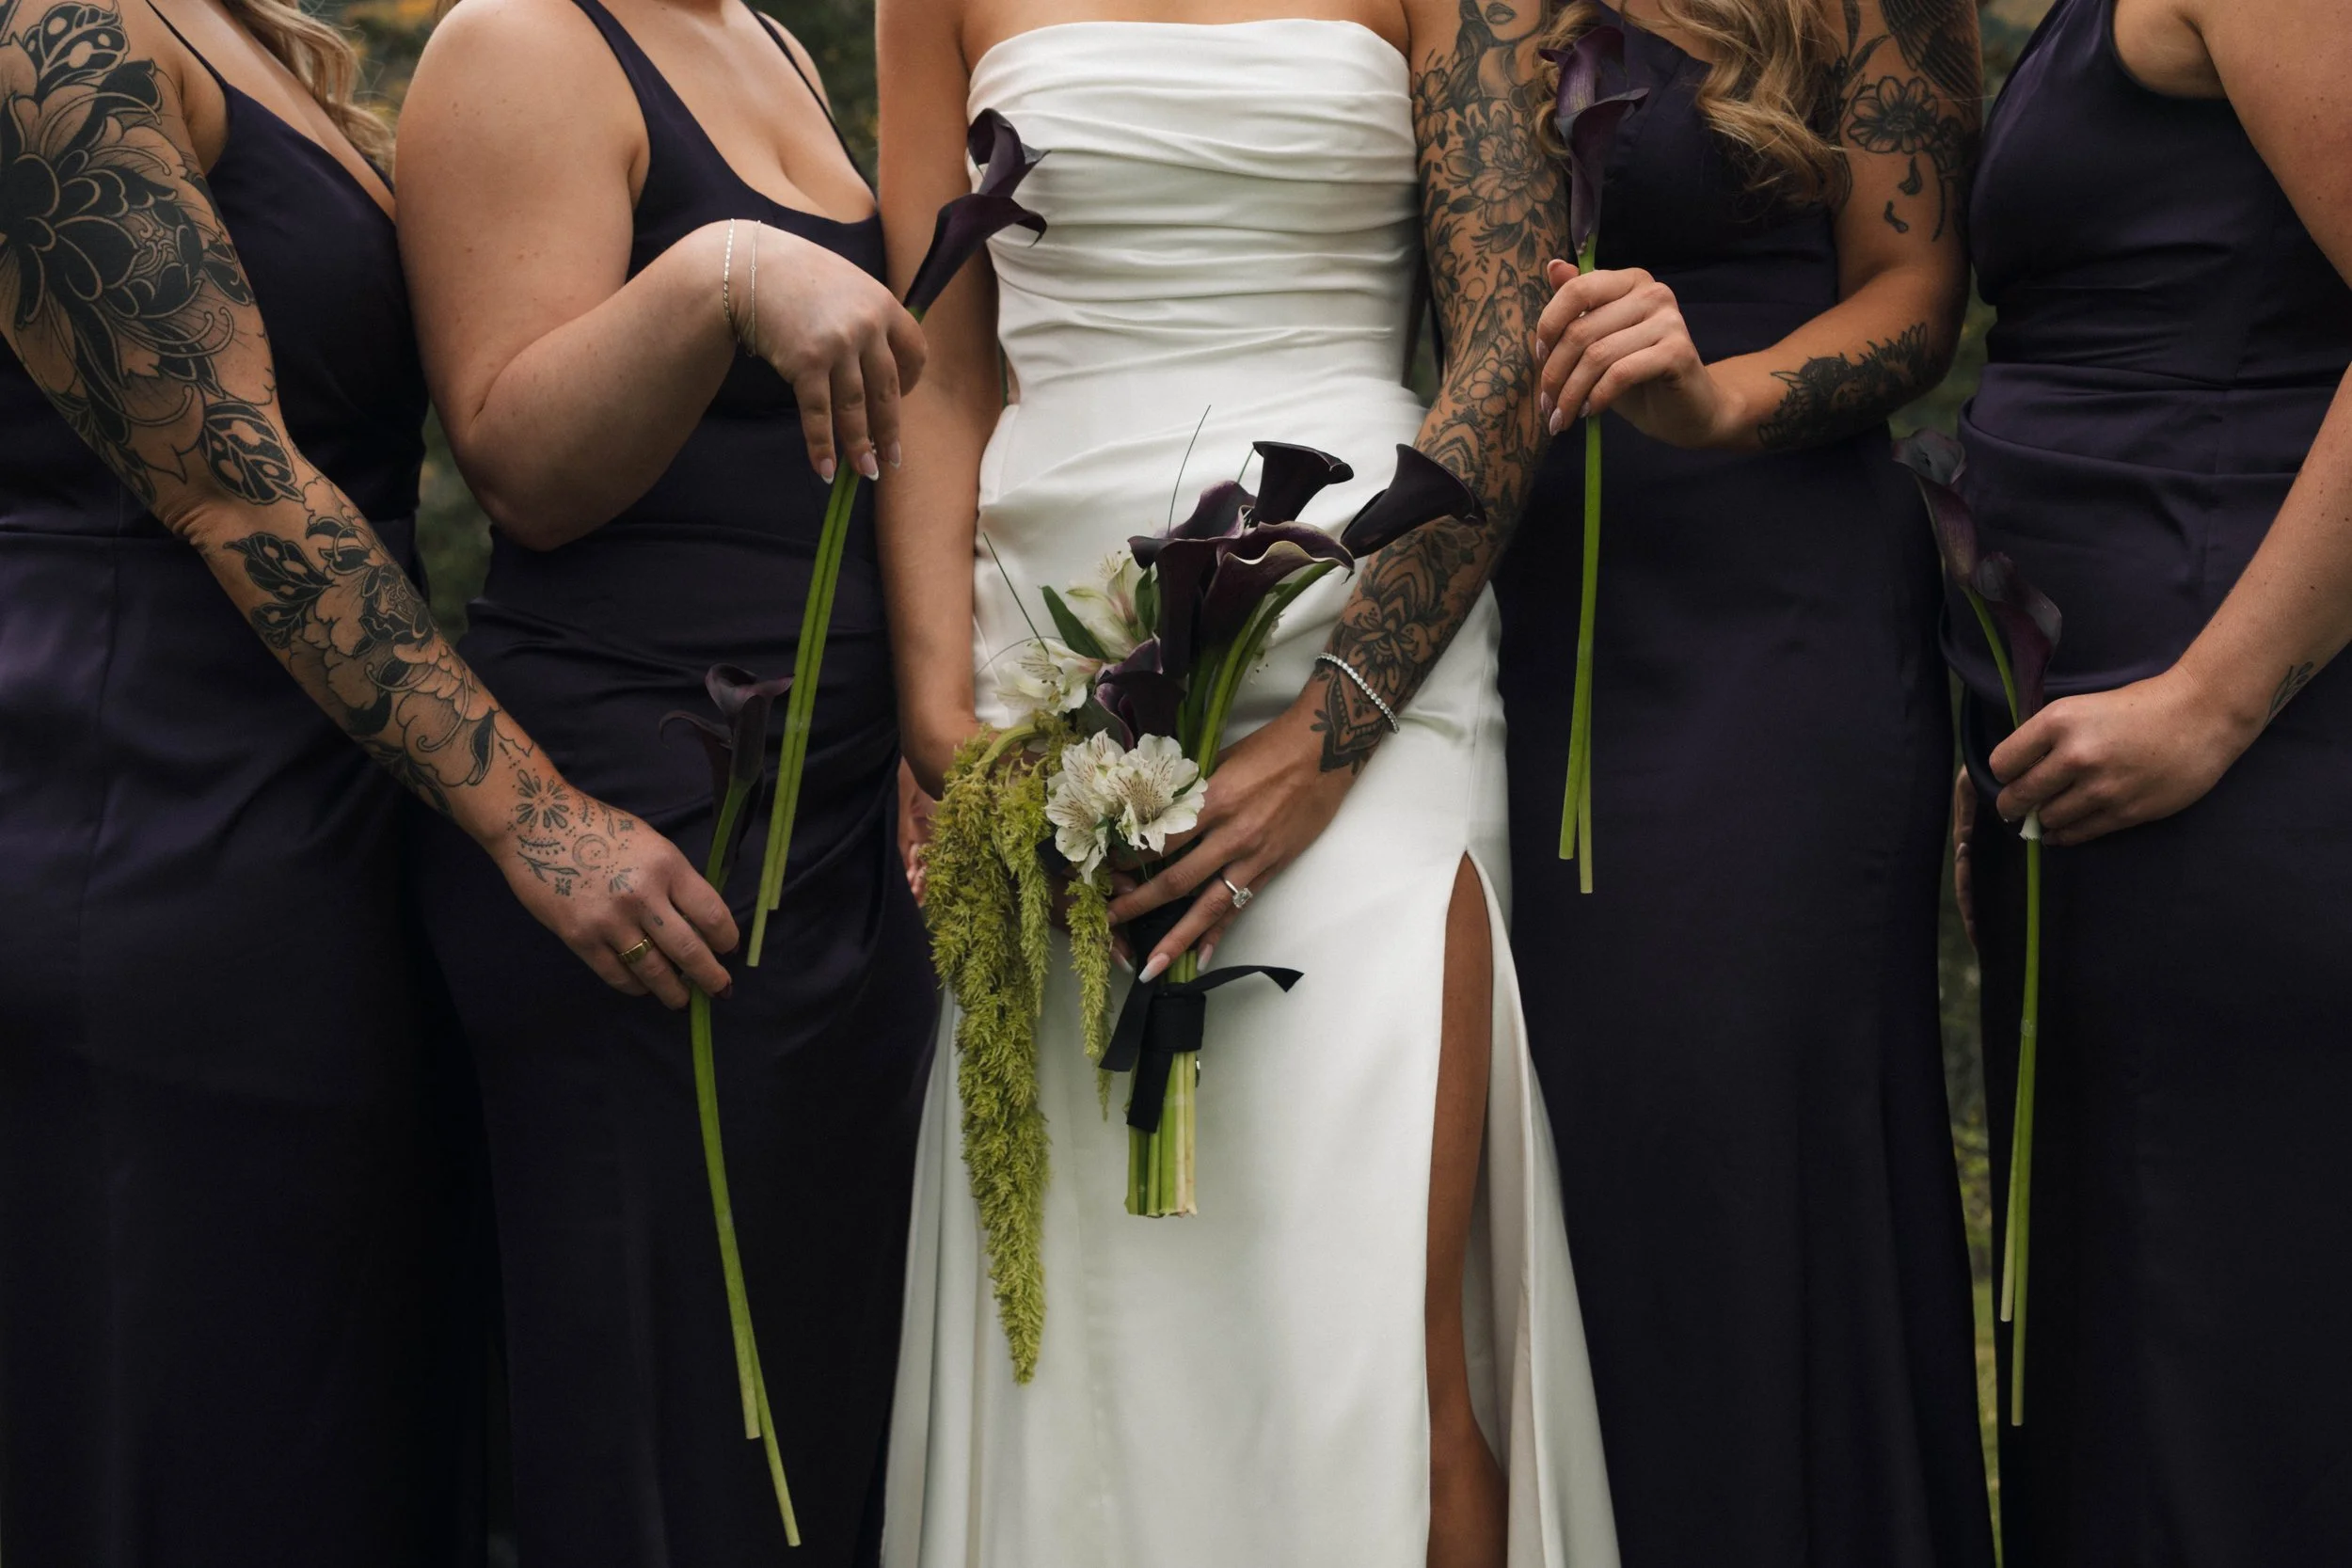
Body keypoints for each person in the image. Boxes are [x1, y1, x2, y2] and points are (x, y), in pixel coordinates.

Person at [877, 3, 1617, 1565]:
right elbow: (939, 362)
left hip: (1374, 638)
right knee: (1094, 1319)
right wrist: (938, 704)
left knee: (1388, 1328)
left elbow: (1502, 334)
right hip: (1054, 672)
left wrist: (1339, 722)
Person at [0, 0, 738, 1560]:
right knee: (186, 1417)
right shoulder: (50, 29)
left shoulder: (244, 31)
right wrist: (539, 815)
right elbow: (228, 481)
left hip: (313, 802)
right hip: (142, 803)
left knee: (336, 1427)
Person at [394, 0, 939, 1560]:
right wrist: (718, 274)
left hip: (833, 836)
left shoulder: (762, 34)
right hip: (654, 824)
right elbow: (520, 464)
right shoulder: (518, 41)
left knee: (819, 1419)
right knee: (675, 1432)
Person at [1496, 2, 1994, 1562]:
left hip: (1774, 612)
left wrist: (1713, 398)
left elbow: (1915, 294)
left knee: (1739, 1156)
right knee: (1565, 1154)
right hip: (1526, 602)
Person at [1952, 0, 2352, 1558]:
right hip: (2103, 765)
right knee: (2121, 1322)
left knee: (2217, 1342)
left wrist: (2214, 698)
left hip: (2235, 739)